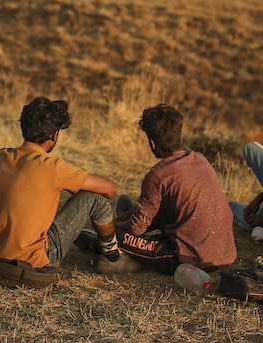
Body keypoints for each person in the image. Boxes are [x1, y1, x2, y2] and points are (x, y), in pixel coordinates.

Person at [0, 96, 121, 269]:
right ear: (54, 135)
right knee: (95, 197)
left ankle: (93, 244)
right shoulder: (52, 167)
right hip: (32, 260)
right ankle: (113, 257)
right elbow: (110, 189)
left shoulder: (2, 156)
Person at [101, 103, 237, 274]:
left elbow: (137, 229)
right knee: (152, 210)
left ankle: (98, 242)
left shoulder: (158, 174)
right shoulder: (200, 159)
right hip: (223, 253)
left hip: (186, 259)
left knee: (112, 236)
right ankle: (122, 225)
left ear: (152, 143)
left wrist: (111, 228)